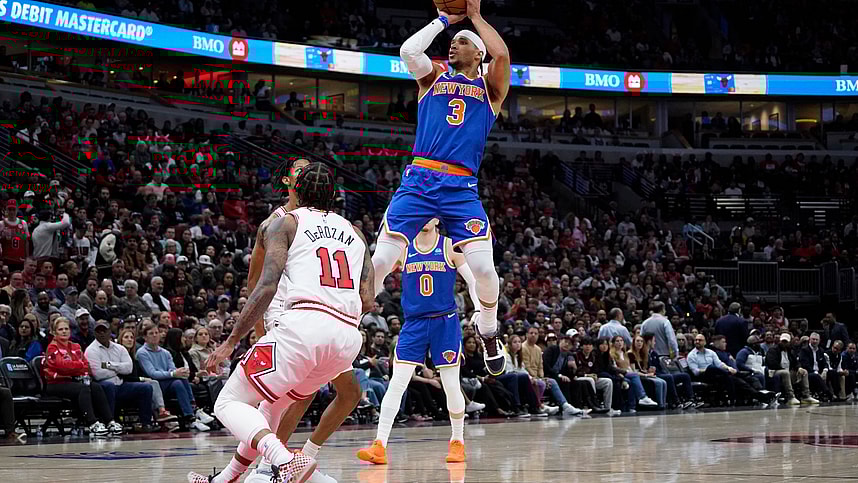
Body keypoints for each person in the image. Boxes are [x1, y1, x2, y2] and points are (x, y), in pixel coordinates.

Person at [187, 162, 375, 483]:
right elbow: (369, 299)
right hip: (346, 336)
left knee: (228, 401)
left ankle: (283, 461)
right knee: (272, 407)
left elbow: (264, 284)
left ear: (296, 190)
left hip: (302, 325)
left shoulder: (287, 223)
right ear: (334, 196)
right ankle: (231, 478)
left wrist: (233, 340)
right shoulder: (355, 232)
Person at [370, 0, 511, 377]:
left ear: (478, 52)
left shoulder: (490, 89)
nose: (453, 44)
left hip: (460, 185)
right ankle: (345, 318)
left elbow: (502, 54)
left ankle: (489, 329)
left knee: (484, 268)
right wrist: (444, 21)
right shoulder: (432, 76)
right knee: (380, 262)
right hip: (420, 178)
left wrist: (475, 19)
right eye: (452, 41)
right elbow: (408, 50)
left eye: (462, 42)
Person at [241, 158, 361, 483]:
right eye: (299, 170)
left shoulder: (328, 223)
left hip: (320, 316)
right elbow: (255, 283)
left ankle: (304, 457)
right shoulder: (276, 223)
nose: (306, 174)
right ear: (287, 182)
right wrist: (258, 328)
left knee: (350, 392)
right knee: (297, 392)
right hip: (286, 312)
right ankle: (270, 465)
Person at [357, 218, 480, 465]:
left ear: (437, 218)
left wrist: (478, 308)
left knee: (451, 384)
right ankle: (379, 445)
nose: (426, 217)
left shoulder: (450, 246)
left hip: (444, 322)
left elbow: (474, 280)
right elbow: (378, 276)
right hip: (414, 323)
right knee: (397, 382)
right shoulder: (404, 248)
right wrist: (363, 305)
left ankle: (458, 442)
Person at [41, 317, 117, 437]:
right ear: (55, 332)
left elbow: (86, 366)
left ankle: (109, 421)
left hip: (72, 381)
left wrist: (75, 367)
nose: (64, 331)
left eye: (66, 329)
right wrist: (78, 366)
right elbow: (61, 366)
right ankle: (92, 423)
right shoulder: (52, 348)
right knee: (83, 389)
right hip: (55, 383)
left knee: (95, 387)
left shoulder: (75, 346)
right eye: (61, 329)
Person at [84, 320, 155, 432]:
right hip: (102, 386)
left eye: (104, 331)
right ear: (95, 333)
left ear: (110, 332)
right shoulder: (91, 350)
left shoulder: (119, 348)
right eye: (99, 331)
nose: (102, 333)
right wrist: (118, 370)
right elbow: (97, 374)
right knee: (109, 386)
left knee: (146, 387)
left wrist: (109, 365)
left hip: (121, 385)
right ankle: (110, 422)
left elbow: (128, 368)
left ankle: (146, 424)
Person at [765, 332, 818, 406]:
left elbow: (796, 362)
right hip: (774, 372)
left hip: (788, 371)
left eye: (786, 342)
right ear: (780, 341)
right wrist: (784, 369)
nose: (784, 343)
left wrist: (799, 368)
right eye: (783, 341)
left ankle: (806, 396)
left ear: (789, 342)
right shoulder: (773, 350)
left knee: (804, 372)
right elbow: (772, 364)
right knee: (785, 373)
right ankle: (790, 397)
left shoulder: (790, 351)